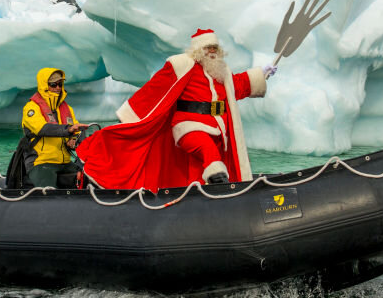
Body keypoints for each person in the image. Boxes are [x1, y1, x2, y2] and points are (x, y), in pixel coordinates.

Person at [80, 29, 276, 191]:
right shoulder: (183, 65)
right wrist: (130, 116)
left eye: (215, 47)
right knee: (207, 152)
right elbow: (155, 88)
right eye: (208, 48)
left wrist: (262, 74)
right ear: (198, 50)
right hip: (189, 126)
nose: (212, 52)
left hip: (217, 128)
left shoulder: (220, 72)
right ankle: (220, 189)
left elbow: (237, 86)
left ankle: (200, 193)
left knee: (198, 165)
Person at [20, 67, 88, 187]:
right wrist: (68, 130)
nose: (57, 88)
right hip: (41, 162)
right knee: (48, 191)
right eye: (53, 84)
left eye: (60, 84)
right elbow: (42, 128)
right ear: (44, 85)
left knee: (88, 177)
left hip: (65, 162)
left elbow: (76, 131)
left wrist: (73, 139)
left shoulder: (67, 109)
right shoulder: (31, 108)